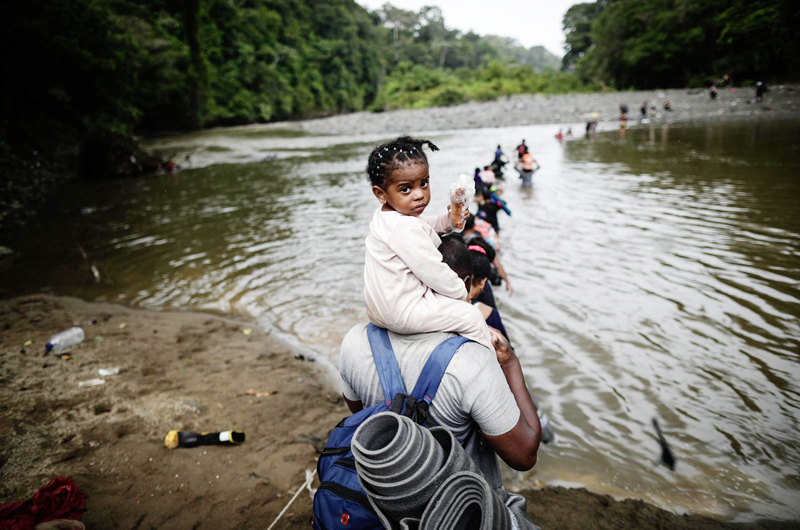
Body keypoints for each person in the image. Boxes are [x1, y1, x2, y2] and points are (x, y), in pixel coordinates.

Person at [339, 240, 542, 530]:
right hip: (463, 513)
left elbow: (364, 419)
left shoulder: (354, 342)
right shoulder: (472, 360)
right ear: (467, 283)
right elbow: (525, 455)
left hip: (387, 508)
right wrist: (510, 363)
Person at [364, 136, 494, 350]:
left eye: (423, 183)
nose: (419, 195)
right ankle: (489, 359)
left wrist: (451, 220)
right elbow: (435, 271)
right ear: (380, 193)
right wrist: (463, 296)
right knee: (471, 317)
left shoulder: (387, 217)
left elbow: (426, 225)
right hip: (403, 312)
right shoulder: (405, 227)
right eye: (406, 189)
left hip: (380, 309)